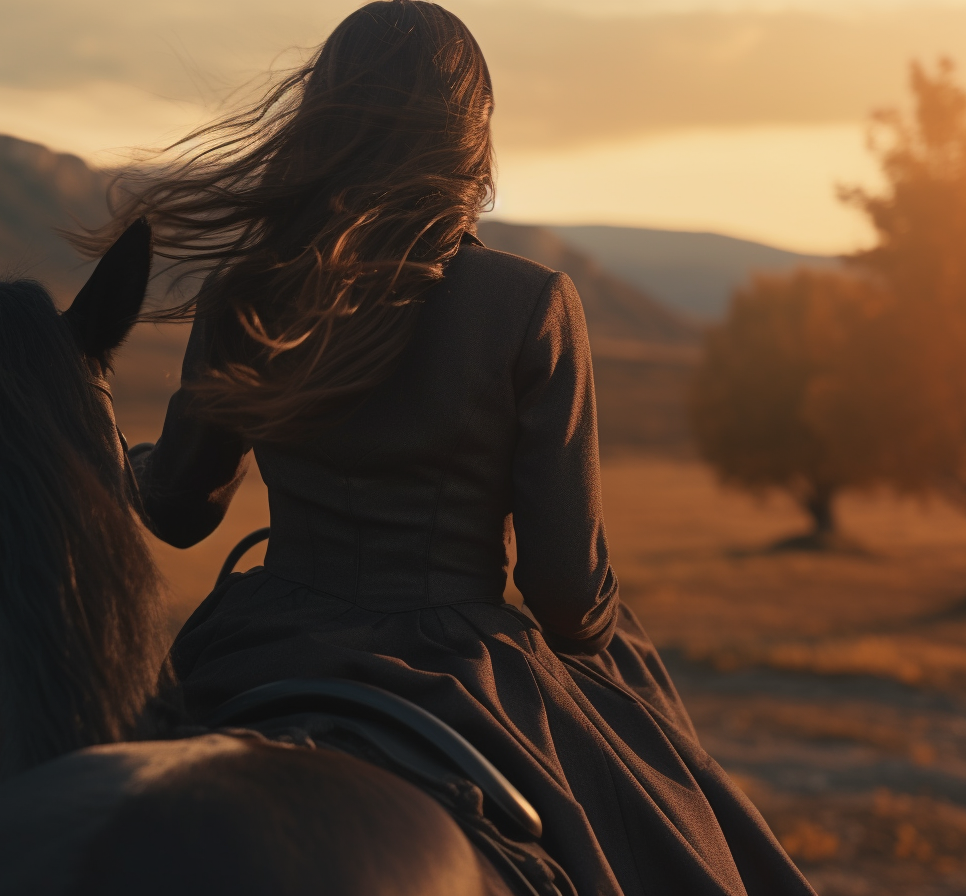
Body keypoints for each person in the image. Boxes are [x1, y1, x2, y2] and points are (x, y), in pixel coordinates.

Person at [83, 3, 815, 894]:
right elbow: (565, 594)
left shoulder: (253, 288)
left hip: (258, 646)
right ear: (471, 138)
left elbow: (177, 510)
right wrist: (607, 628)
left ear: (324, 117)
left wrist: (105, 444)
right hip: (462, 668)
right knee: (688, 847)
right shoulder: (530, 303)